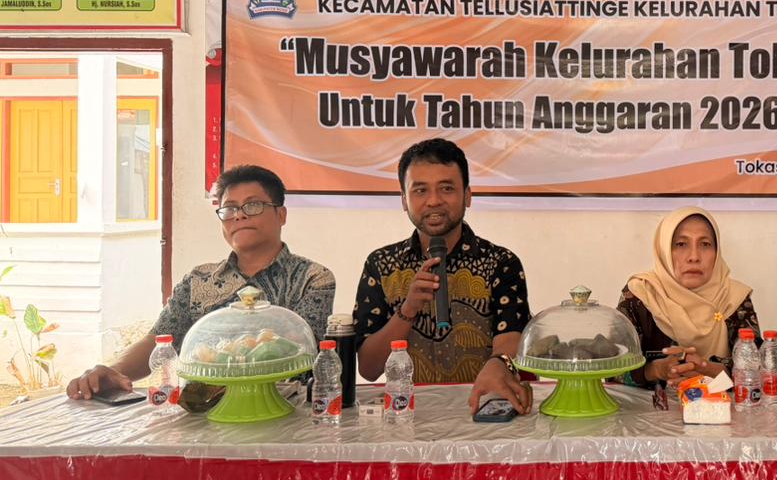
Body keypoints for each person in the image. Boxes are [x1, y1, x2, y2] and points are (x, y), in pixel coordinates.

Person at [66, 165, 336, 400]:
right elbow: (159, 340)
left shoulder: (312, 278)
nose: (239, 216)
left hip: (286, 413)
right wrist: (113, 371)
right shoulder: (198, 280)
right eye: (229, 209)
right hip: (203, 414)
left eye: (253, 205)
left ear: (281, 215)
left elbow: (301, 348)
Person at [353, 138, 531, 413]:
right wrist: (408, 310)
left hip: (482, 409)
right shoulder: (381, 264)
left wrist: (499, 363)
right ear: (404, 200)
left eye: (447, 188)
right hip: (407, 417)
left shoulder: (501, 262)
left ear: (467, 195)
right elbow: (368, 368)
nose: (434, 201)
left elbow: (511, 340)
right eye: (420, 190)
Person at [616, 207, 759, 388]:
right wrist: (656, 370)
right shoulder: (640, 293)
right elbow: (612, 367)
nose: (694, 257)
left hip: (720, 404)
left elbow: (759, 369)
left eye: (705, 244)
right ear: (663, 250)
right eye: (681, 244)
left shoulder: (734, 297)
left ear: (717, 252)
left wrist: (710, 370)